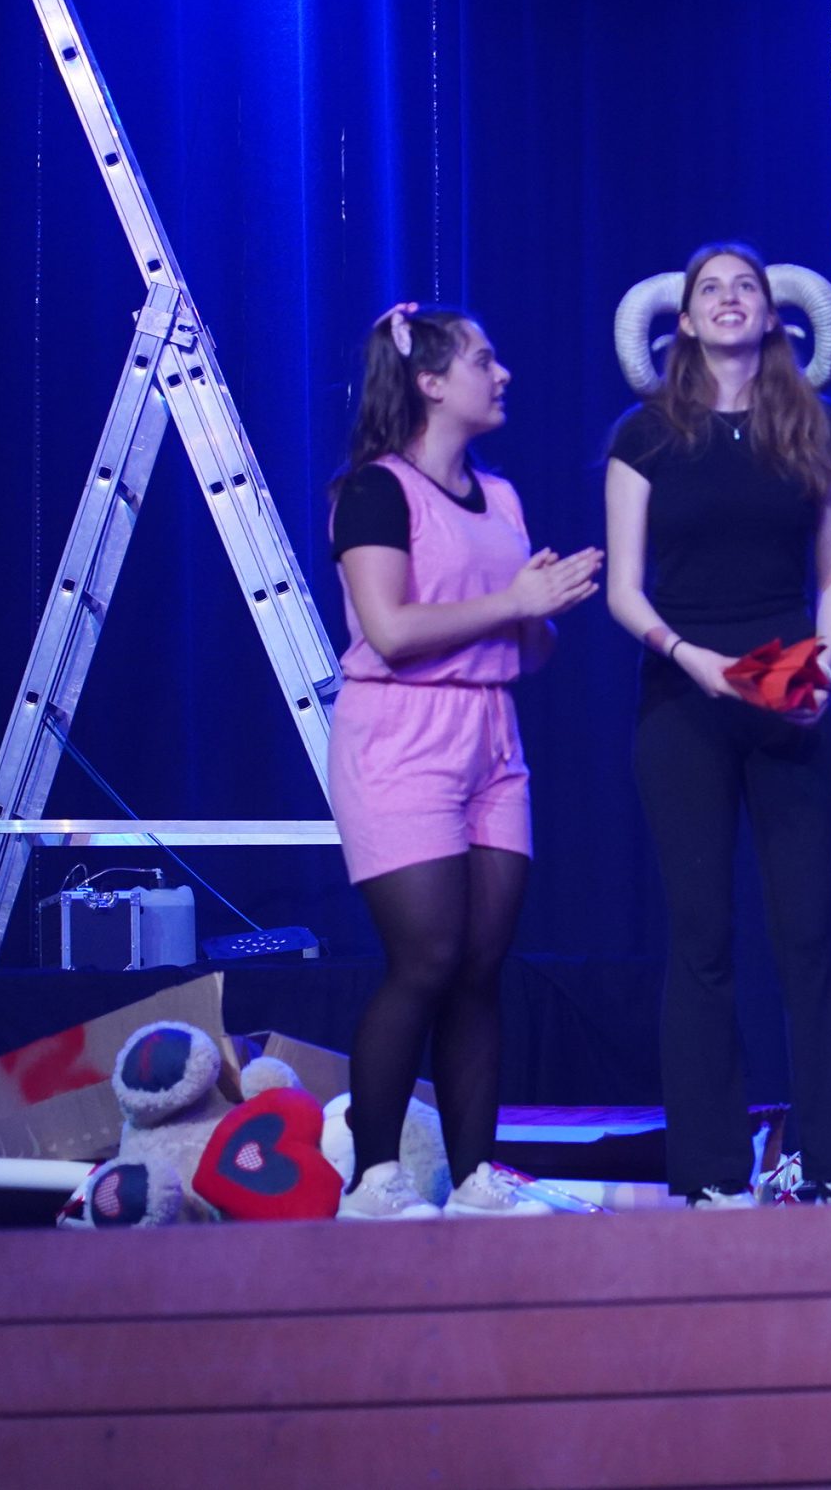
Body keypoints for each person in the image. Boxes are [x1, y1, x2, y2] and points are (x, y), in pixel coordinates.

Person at [605, 243, 831, 1206]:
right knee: (701, 940)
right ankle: (713, 1174)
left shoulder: (816, 428)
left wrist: (822, 661)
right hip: (684, 698)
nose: (728, 299)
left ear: (772, 314)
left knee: (808, 938)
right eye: (710, 290)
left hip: (786, 692)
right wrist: (689, 658)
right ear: (683, 321)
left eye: (745, 287)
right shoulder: (645, 435)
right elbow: (625, 589)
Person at [329, 302, 602, 1221]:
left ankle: (476, 1176)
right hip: (400, 736)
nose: (503, 374)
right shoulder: (377, 490)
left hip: (492, 735)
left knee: (483, 965)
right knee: (428, 957)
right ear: (431, 382)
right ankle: (375, 1179)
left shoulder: (505, 499)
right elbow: (391, 630)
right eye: (485, 360)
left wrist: (542, 609)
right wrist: (513, 603)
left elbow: (526, 648)